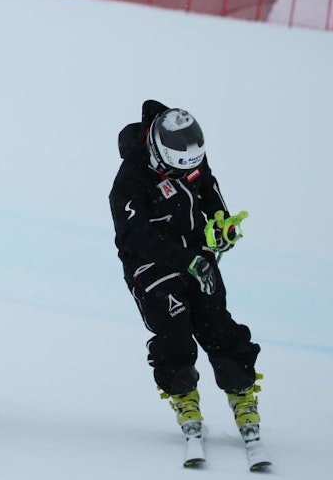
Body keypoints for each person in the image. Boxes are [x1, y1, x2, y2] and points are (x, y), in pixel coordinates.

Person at [109, 100, 264, 445]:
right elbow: (134, 238)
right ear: (158, 153)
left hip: (197, 256)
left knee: (217, 324)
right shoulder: (129, 181)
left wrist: (221, 224)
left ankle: (242, 393)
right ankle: (184, 397)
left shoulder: (189, 157)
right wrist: (185, 260)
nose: (184, 175)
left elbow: (208, 188)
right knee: (173, 332)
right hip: (151, 266)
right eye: (175, 171)